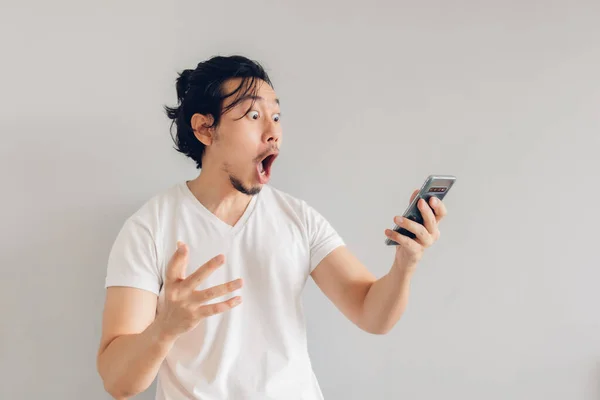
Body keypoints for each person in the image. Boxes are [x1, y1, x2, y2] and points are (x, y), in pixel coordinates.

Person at [96, 55, 448, 400]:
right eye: (253, 115)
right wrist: (164, 327)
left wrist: (405, 264)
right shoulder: (150, 227)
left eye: (276, 116)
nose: (273, 132)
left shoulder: (298, 217)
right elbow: (117, 382)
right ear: (205, 128)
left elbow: (372, 314)